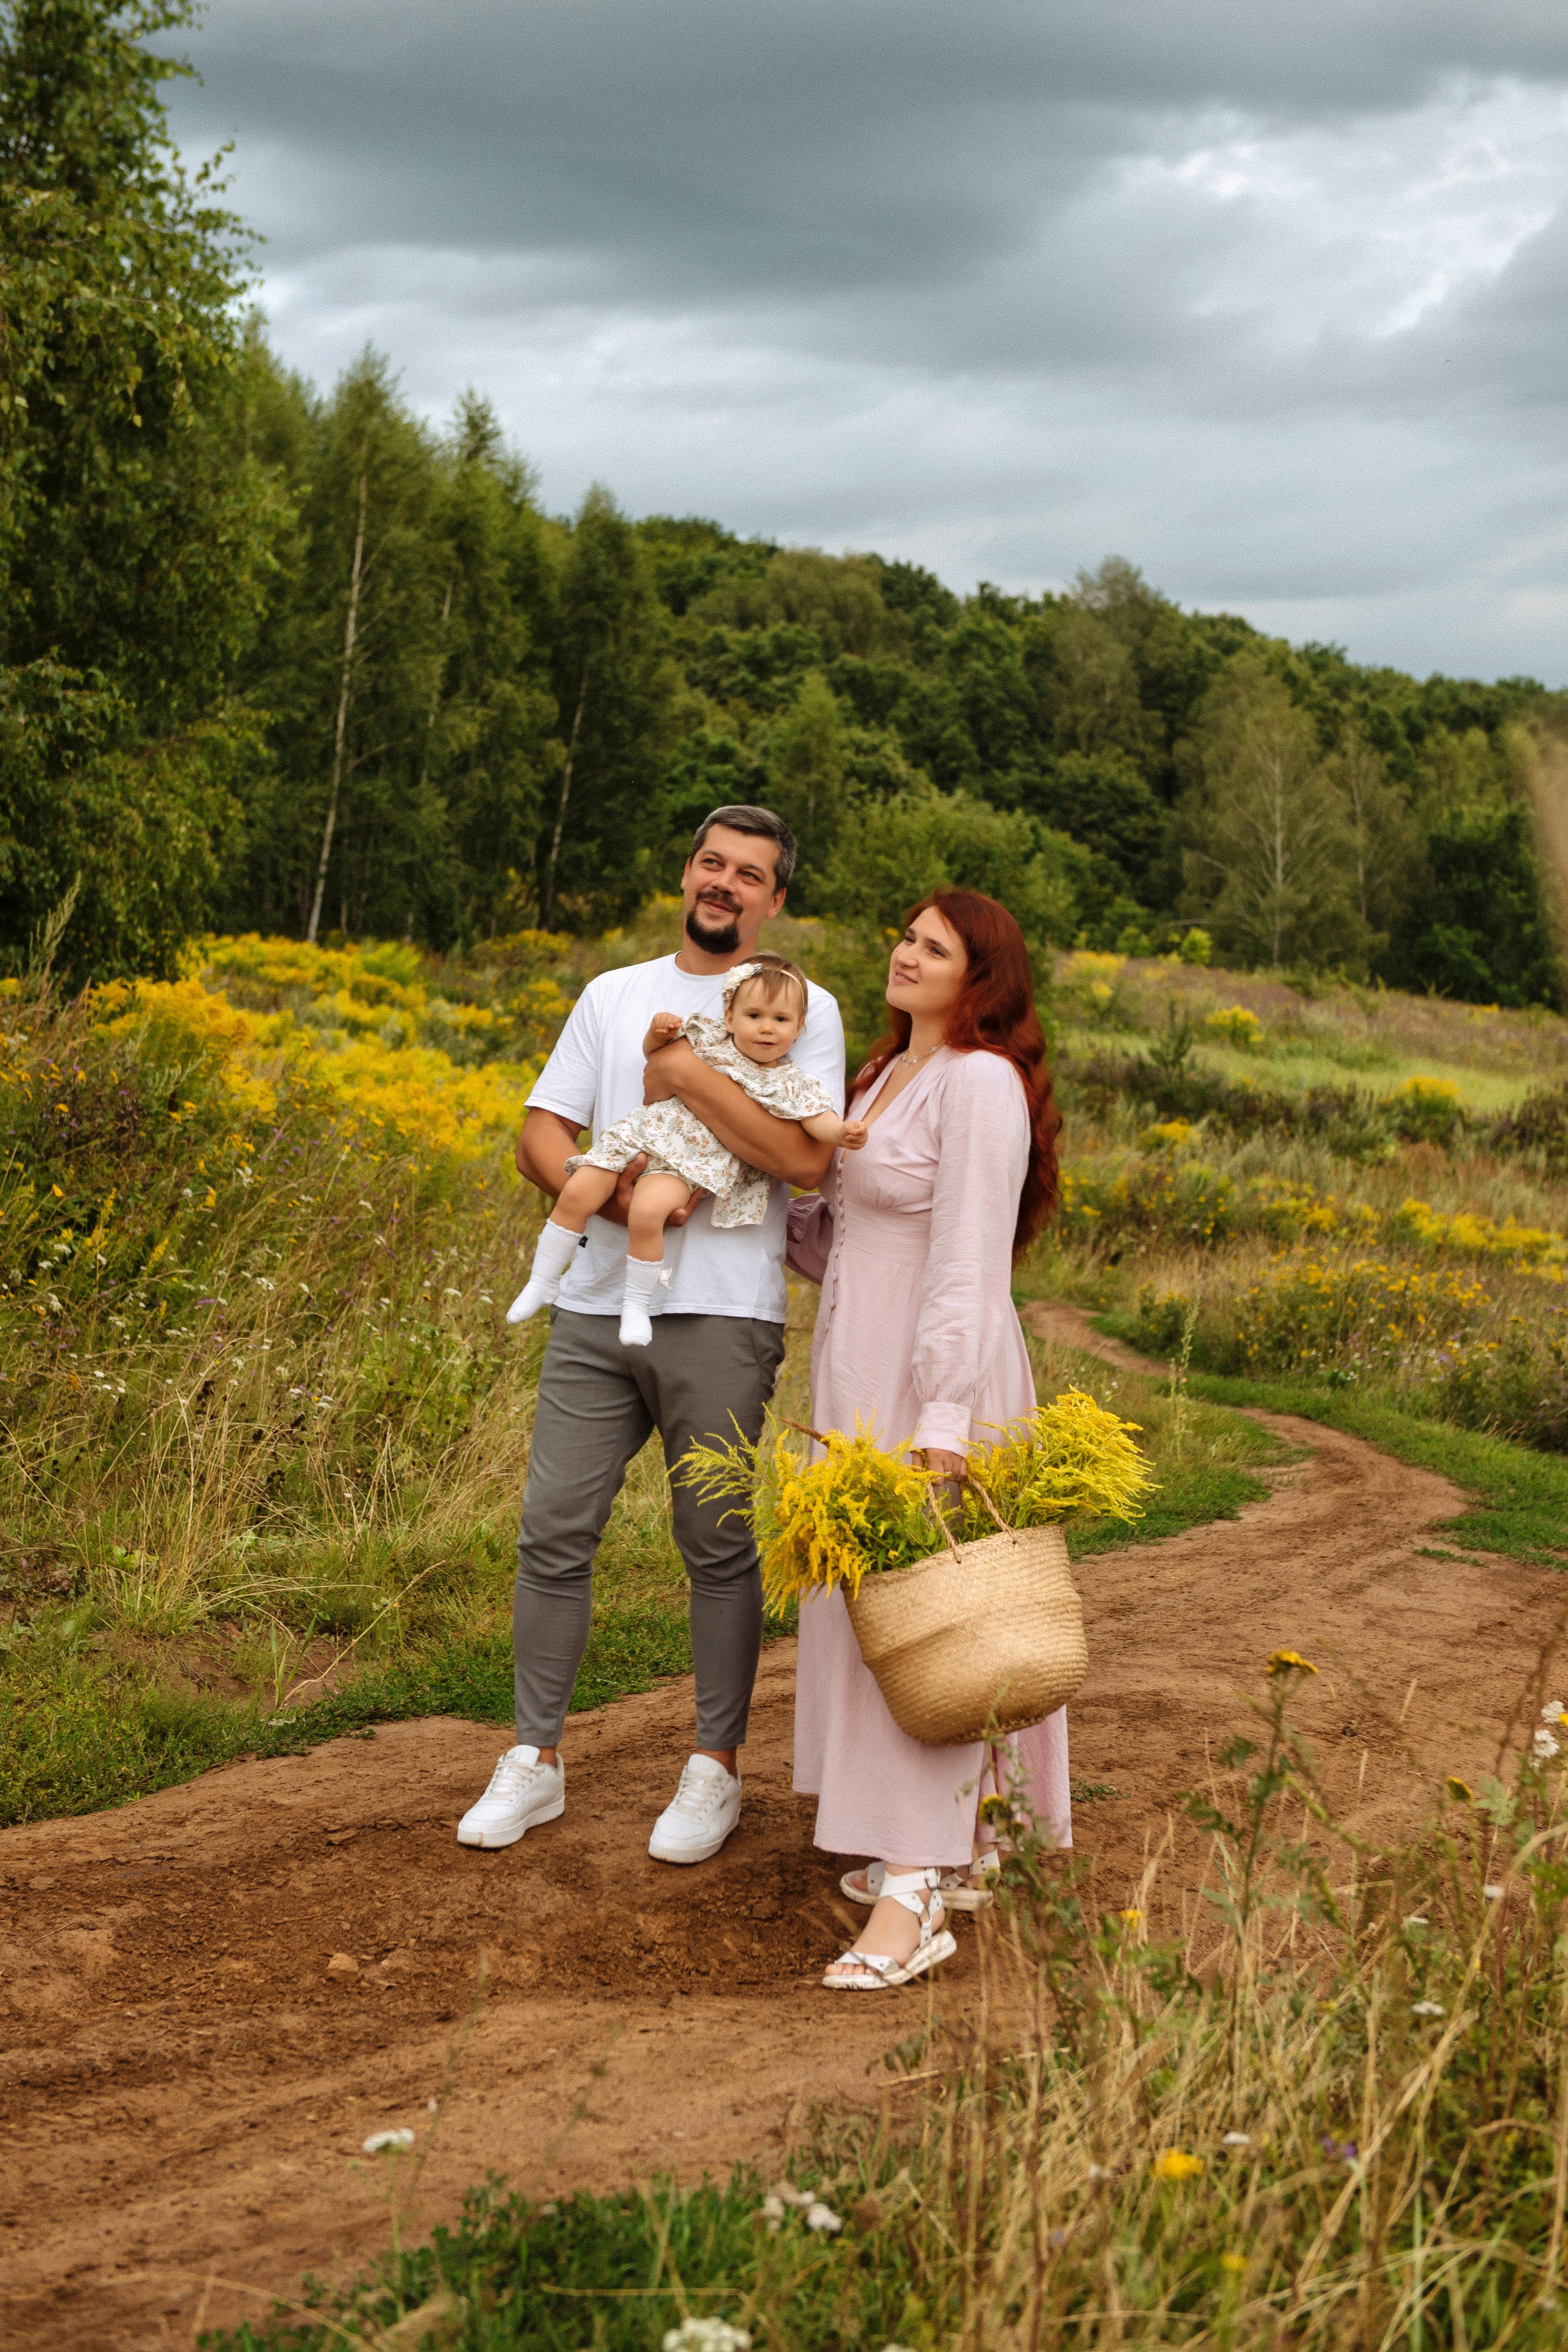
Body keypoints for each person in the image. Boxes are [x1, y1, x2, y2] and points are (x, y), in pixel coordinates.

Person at [458, 807, 846, 1864]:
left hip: (722, 1310)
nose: (725, 883)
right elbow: (544, 1128)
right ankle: (534, 1758)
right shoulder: (613, 993)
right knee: (552, 1531)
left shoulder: (803, 1006)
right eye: (712, 863)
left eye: (750, 874)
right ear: (687, 875)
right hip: (594, 1304)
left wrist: (683, 1078)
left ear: (774, 900)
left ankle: (715, 1768)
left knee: (713, 1541)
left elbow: (802, 1158)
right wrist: (619, 1190)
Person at [788, 889, 1066, 1988]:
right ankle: (968, 1838)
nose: (906, 954)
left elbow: (967, 1260)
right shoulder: (880, 1076)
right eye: (906, 936)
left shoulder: (979, 1082)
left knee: (919, 1621)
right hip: (856, 1371)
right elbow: (847, 1244)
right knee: (891, 1615)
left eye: (934, 947)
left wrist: (944, 1415)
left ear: (978, 976)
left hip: (929, 1378)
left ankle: (912, 1895)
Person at [507, 955, 865, 1346]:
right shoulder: (710, 1040)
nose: (767, 1028)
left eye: (781, 1020)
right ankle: (542, 1280)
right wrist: (657, 1033)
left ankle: (635, 1305)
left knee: (647, 1213)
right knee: (577, 1191)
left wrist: (841, 1132)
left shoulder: (793, 1083)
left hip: (689, 1162)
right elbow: (655, 1053)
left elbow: (816, 1119)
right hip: (643, 1135)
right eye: (754, 1016)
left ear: (799, 1028)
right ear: (730, 1018)